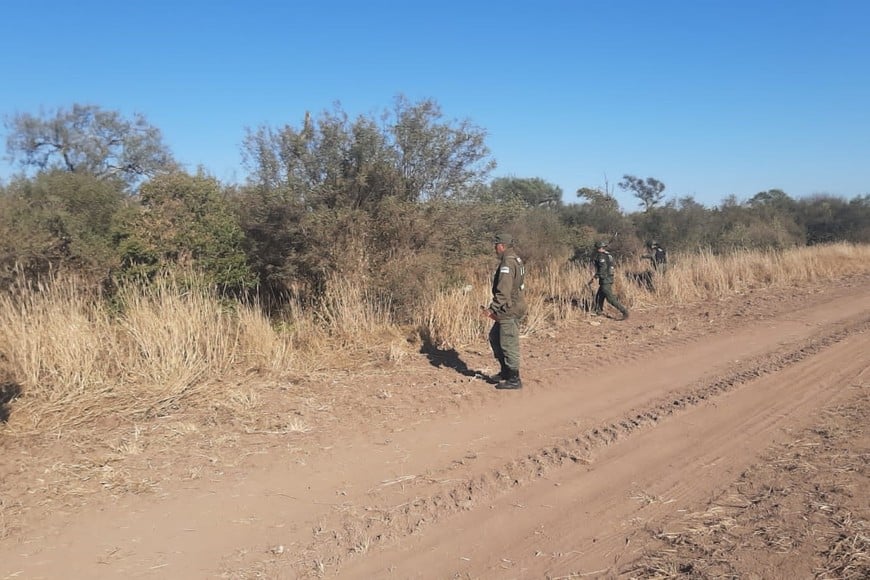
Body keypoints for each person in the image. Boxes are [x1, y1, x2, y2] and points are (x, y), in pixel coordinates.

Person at [481, 233, 526, 390]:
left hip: (509, 309)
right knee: (495, 337)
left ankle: (514, 378)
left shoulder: (507, 262)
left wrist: (491, 308)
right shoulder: (515, 259)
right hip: (510, 307)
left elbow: (504, 291)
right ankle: (505, 372)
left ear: (502, 246)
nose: (495, 248)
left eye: (496, 245)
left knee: (508, 343)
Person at [589, 240, 629, 320]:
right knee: (599, 296)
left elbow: (603, 268)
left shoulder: (601, 256)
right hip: (609, 277)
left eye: (597, 248)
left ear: (599, 248)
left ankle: (624, 311)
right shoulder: (609, 255)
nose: (596, 249)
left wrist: (595, 276)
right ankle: (598, 311)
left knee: (610, 298)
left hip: (605, 279)